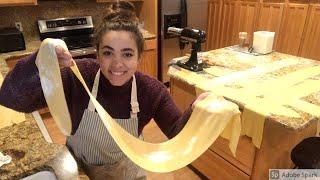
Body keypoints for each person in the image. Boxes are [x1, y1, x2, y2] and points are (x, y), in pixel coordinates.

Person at [0, 1, 208, 179]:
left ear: (139, 57)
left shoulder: (151, 91)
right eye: (108, 53)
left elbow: (177, 134)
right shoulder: (77, 78)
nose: (117, 64)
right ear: (97, 54)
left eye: (127, 54)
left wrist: (198, 113)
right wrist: (41, 61)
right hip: (80, 172)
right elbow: (10, 98)